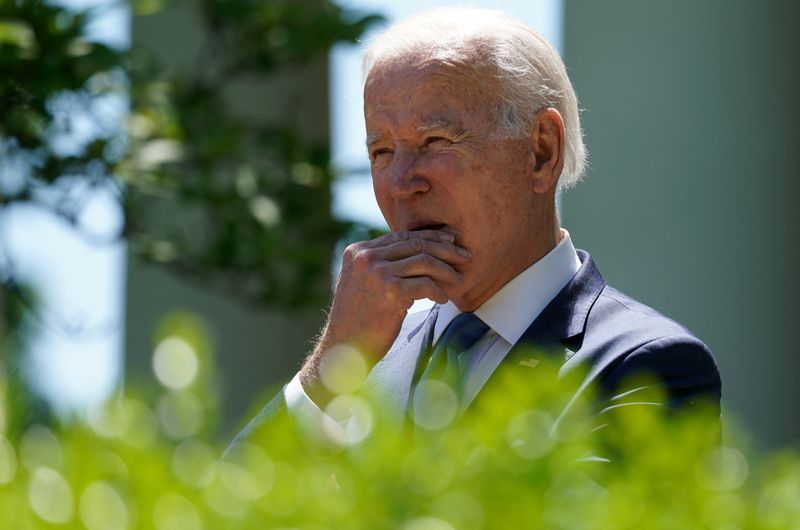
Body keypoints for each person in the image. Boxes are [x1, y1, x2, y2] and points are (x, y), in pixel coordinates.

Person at [231, 7, 721, 449]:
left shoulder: (644, 366)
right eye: (381, 152)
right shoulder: (362, 362)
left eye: (436, 140)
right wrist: (330, 368)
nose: (401, 183)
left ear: (541, 152)